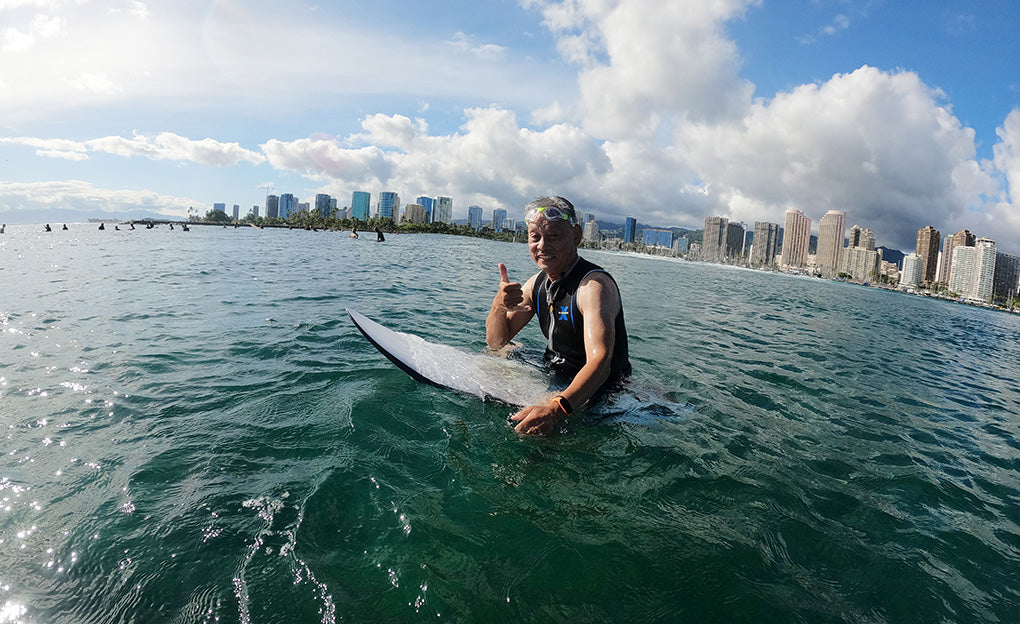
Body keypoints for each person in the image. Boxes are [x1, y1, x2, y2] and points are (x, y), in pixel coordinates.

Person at [486, 196, 630, 435]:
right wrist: (498, 306)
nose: (542, 246)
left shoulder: (593, 287)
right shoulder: (537, 284)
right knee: (501, 353)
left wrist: (556, 408)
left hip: (603, 391)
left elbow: (601, 362)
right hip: (554, 372)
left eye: (553, 235)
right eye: (535, 237)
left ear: (576, 236)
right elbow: (495, 342)